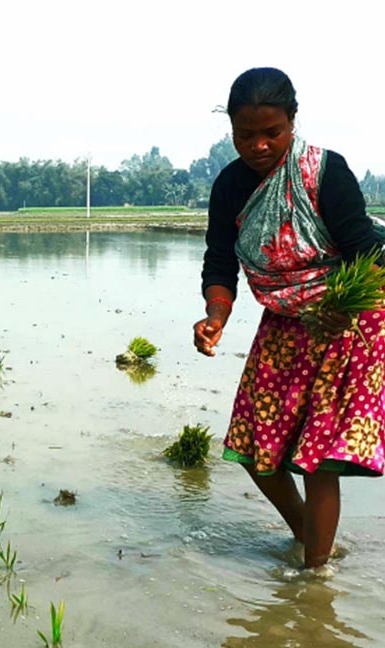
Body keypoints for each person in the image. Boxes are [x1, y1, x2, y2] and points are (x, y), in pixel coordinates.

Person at [194, 67, 385, 569]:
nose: (258, 145)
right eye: (245, 135)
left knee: (317, 459)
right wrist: (215, 315)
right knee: (255, 446)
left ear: (293, 122)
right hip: (283, 318)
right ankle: (312, 537)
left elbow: (365, 254)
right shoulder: (231, 186)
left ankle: (314, 582)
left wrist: (337, 314)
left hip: (347, 316)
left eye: (271, 133)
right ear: (231, 130)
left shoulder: (324, 172)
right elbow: (220, 259)